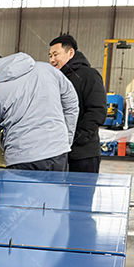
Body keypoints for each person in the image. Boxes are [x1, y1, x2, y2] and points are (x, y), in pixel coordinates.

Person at [0, 50, 79, 171]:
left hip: (22, 156)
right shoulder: (47, 70)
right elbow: (71, 103)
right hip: (58, 152)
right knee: (56, 184)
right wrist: (66, 139)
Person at [48, 34, 107, 173]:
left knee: (80, 187)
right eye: (49, 56)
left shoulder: (89, 75)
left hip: (83, 154)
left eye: (55, 54)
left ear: (70, 52)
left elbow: (97, 111)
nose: (52, 60)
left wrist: (77, 138)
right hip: (58, 152)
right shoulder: (55, 79)